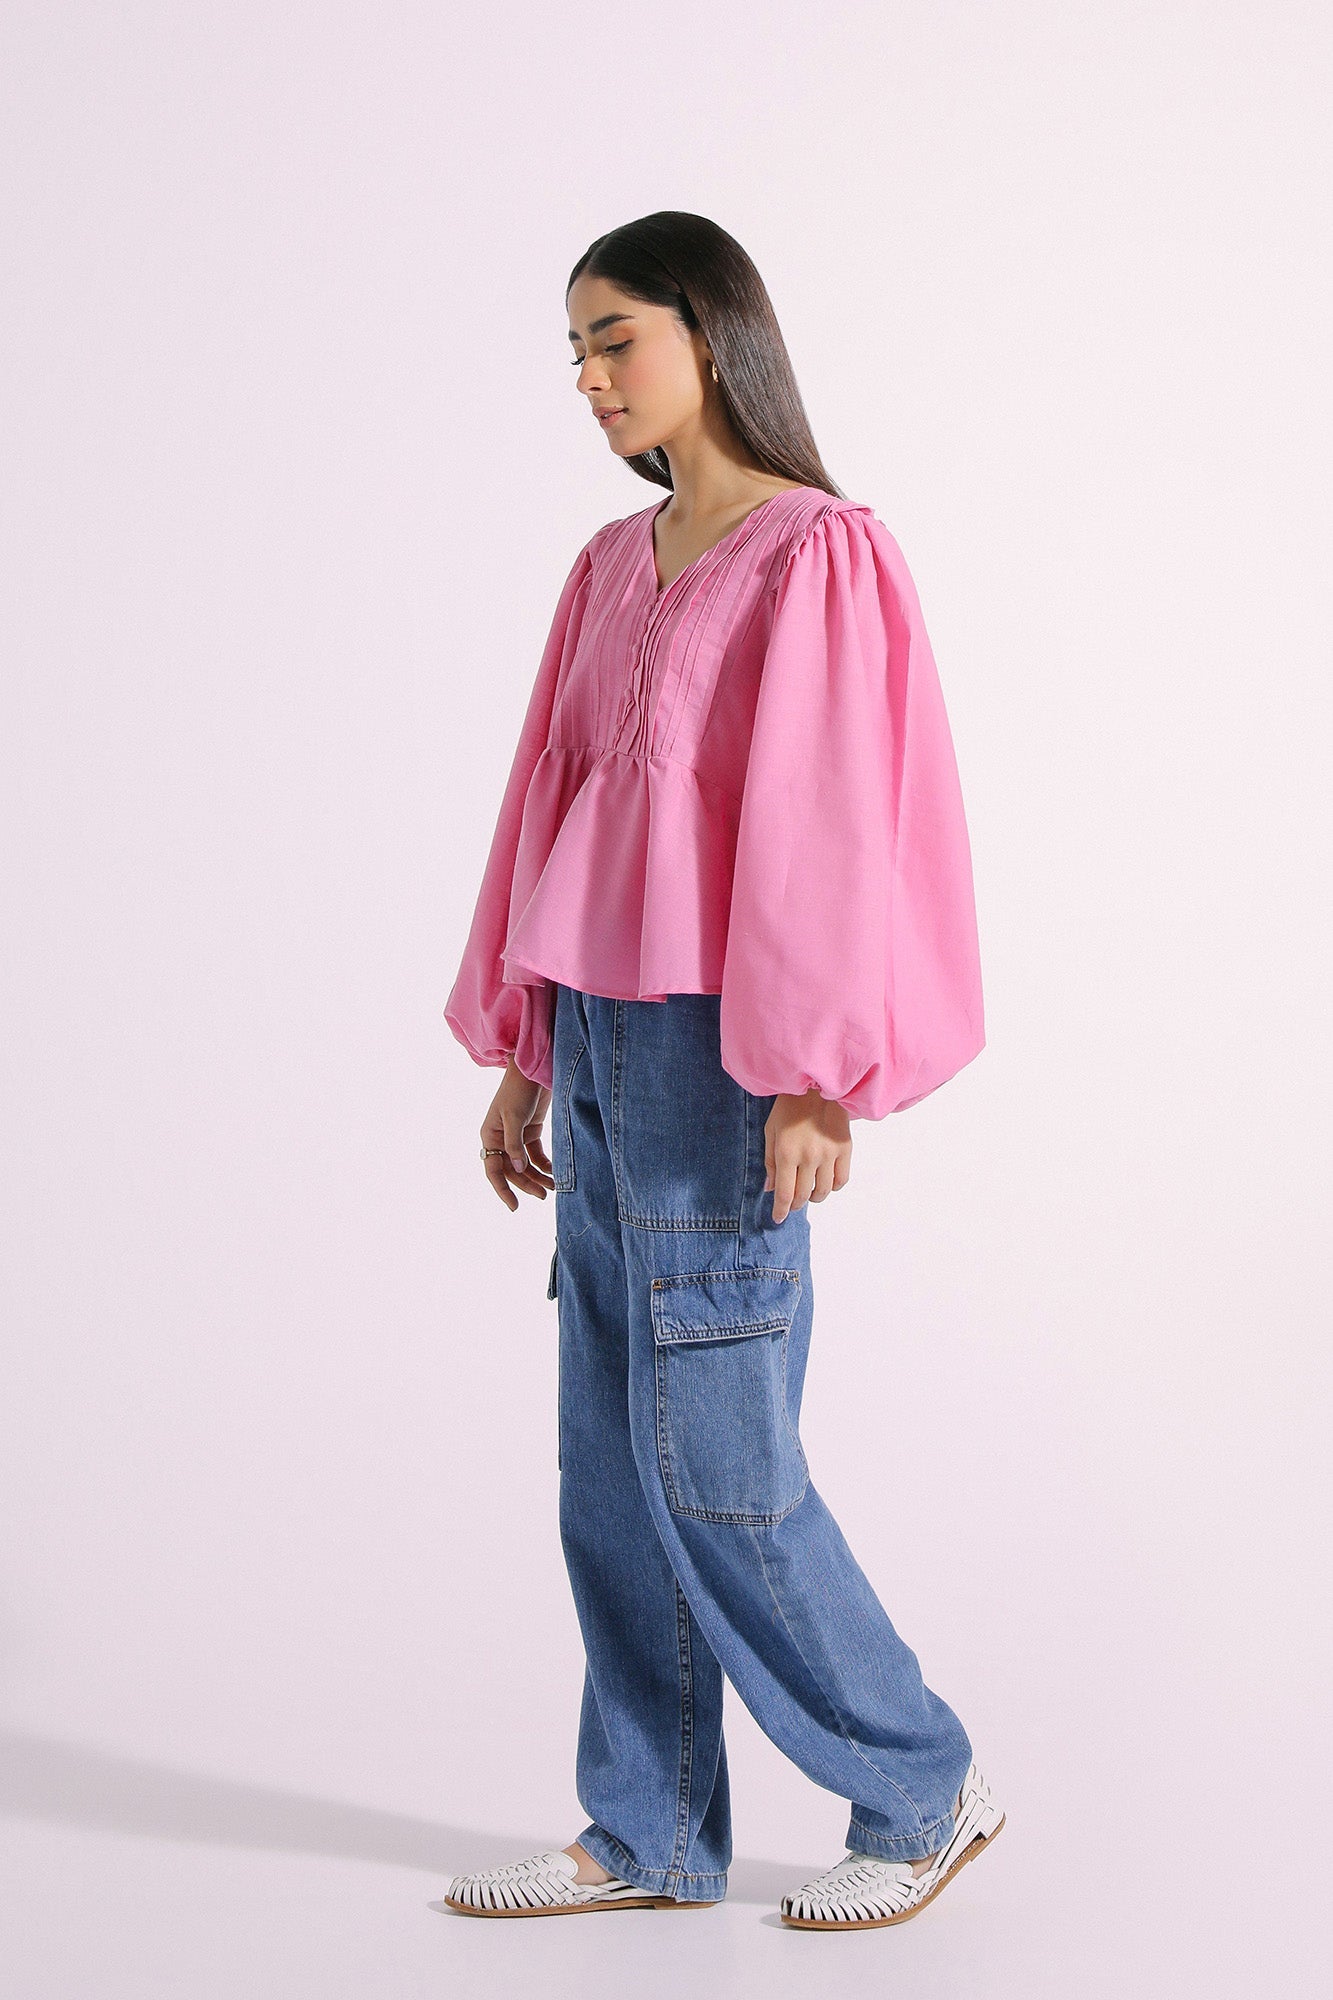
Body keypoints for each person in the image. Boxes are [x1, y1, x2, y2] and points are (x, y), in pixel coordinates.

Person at [440, 211, 1005, 1930]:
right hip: (600, 1044)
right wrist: (526, 1044)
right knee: (612, 1468)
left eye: (616, 337)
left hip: (723, 1055)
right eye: (574, 350)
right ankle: (648, 1829)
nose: (590, 377)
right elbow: (548, 801)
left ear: (712, 332)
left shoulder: (816, 553)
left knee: (718, 1460)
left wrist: (815, 1075)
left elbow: (834, 829)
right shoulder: (609, 565)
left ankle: (918, 1781)